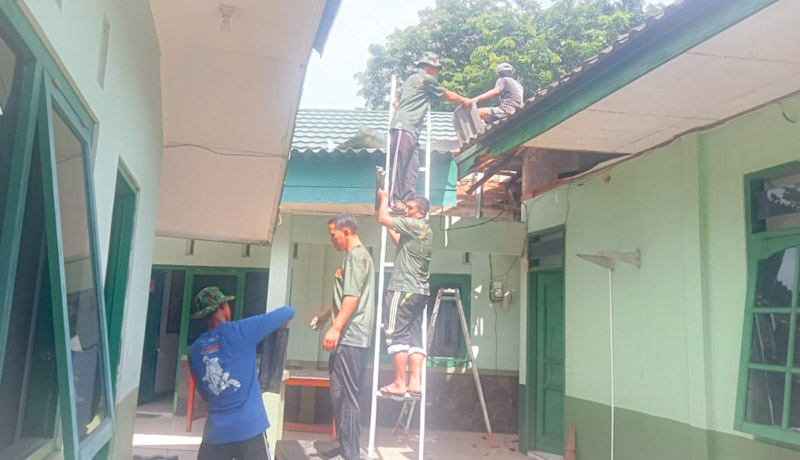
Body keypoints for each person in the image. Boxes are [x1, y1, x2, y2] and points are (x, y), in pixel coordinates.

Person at [188, 286, 294, 460]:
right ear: (223, 307)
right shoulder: (241, 330)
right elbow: (288, 312)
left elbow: (204, 391)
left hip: (215, 435)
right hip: (249, 429)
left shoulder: (194, 350)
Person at [312, 213, 375, 460]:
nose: (332, 240)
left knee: (347, 397)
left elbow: (352, 298)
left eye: (333, 235)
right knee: (340, 395)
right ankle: (344, 447)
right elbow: (346, 296)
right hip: (349, 337)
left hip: (351, 338)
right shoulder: (354, 257)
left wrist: (336, 328)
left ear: (345, 231)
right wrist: (327, 316)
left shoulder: (357, 257)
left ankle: (351, 454)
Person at [388, 51, 472, 214]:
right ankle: (395, 200)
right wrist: (465, 100)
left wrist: (407, 112)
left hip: (412, 129)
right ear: (429, 67)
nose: (436, 72)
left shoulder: (411, 80)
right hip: (403, 127)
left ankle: (407, 199)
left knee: (413, 166)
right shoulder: (425, 78)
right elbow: (448, 95)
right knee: (399, 165)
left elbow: (396, 102)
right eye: (436, 69)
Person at [375, 189, 432, 397]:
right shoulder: (424, 230)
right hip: (420, 291)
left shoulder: (415, 224)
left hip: (403, 287)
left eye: (410, 208)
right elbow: (399, 240)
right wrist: (388, 222)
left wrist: (383, 199)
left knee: (395, 333)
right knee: (414, 335)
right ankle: (415, 383)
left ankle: (400, 383)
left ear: (421, 213)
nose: (406, 211)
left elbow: (383, 218)